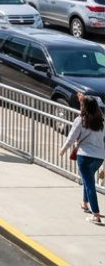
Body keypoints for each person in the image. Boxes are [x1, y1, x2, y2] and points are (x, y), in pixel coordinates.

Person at [60, 93, 105, 225]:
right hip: (99, 158)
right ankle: (85, 204)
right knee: (88, 179)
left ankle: (96, 215)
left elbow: (71, 137)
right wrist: (82, 99)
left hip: (84, 157)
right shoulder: (101, 122)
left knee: (89, 183)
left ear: (84, 107)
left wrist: (63, 150)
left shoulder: (80, 120)